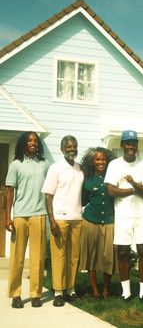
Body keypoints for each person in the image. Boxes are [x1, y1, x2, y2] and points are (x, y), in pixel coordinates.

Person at [104, 130, 143, 302]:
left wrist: (132, 182)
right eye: (127, 143)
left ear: (137, 145)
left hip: (142, 214)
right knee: (123, 251)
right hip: (123, 215)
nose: (130, 146)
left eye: (133, 143)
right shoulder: (114, 165)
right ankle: (126, 291)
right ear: (122, 145)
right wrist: (134, 189)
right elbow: (110, 190)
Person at [5, 131, 48, 309]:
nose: (33, 143)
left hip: (39, 214)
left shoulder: (45, 165)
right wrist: (8, 216)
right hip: (20, 216)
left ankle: (35, 294)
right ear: (23, 143)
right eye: (29, 140)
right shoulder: (15, 165)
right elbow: (10, 192)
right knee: (17, 258)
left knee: (37, 258)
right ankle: (16, 294)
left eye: (35, 141)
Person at [42, 135, 84, 307]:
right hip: (60, 218)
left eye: (74, 147)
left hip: (77, 218)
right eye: (69, 147)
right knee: (59, 256)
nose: (72, 149)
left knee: (73, 257)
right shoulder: (55, 168)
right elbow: (48, 195)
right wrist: (52, 220)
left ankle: (71, 289)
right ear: (62, 149)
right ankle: (58, 291)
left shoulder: (80, 169)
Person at [78, 147, 118, 299]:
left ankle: (106, 289)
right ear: (92, 162)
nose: (100, 162)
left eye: (103, 159)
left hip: (109, 222)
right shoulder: (87, 178)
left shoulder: (113, 177)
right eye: (97, 159)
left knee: (109, 256)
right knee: (91, 257)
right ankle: (95, 290)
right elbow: (83, 200)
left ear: (107, 161)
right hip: (90, 221)